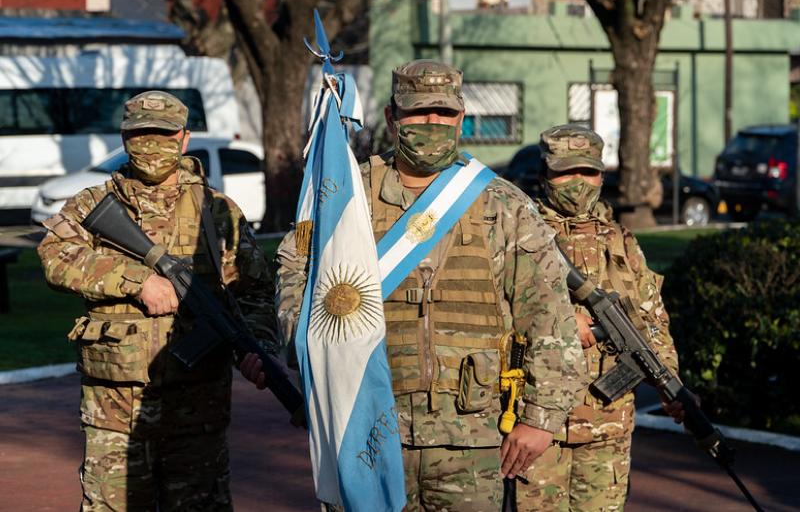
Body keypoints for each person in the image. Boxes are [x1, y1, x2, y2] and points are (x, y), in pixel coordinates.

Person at [269, 60, 585, 510]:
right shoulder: (346, 194)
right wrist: (313, 352)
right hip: (366, 429)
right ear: (392, 116)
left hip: (472, 440)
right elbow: (295, 271)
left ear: (461, 116)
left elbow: (548, 315)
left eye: (445, 112)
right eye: (418, 112)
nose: (432, 122)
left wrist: (541, 417)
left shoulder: (499, 203)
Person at [37, 91, 275, 511]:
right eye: (140, 134)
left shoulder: (216, 211)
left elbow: (254, 289)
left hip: (197, 413)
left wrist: (259, 348)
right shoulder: (93, 205)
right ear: (124, 138)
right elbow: (55, 257)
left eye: (163, 135)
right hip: (114, 414)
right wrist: (137, 280)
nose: (151, 145)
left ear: (184, 138)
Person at [521, 124, 682, 511]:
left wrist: (671, 383)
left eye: (587, 171)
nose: (578, 182)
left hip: (609, 427)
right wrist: (562, 325)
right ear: (545, 174)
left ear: (601, 175)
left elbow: (652, 319)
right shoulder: (522, 235)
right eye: (566, 172)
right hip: (540, 426)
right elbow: (497, 314)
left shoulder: (621, 241)